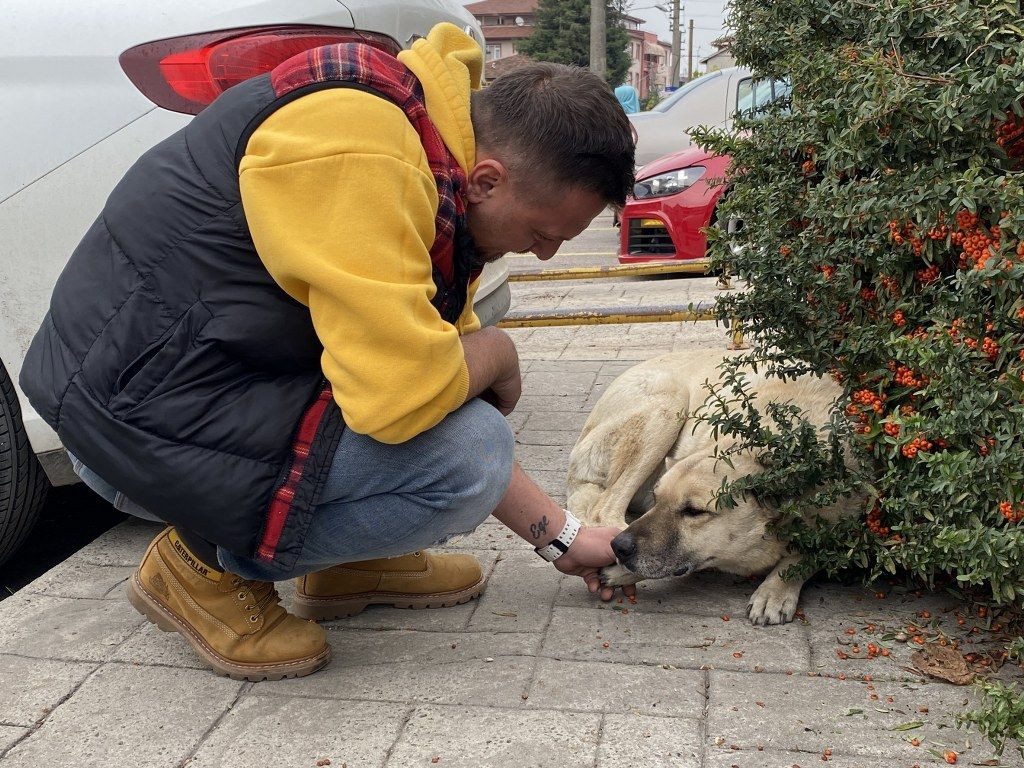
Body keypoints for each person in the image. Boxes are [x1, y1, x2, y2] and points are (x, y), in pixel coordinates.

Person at [19, 23, 637, 681]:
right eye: (543, 233)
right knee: (470, 451)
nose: (544, 254)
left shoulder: (432, 157)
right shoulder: (366, 150)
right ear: (488, 179)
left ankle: (346, 566)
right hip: (129, 422)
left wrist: (564, 539)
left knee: (458, 419)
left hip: (191, 387)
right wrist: (498, 352)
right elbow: (404, 399)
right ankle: (201, 566)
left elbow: (423, 380)